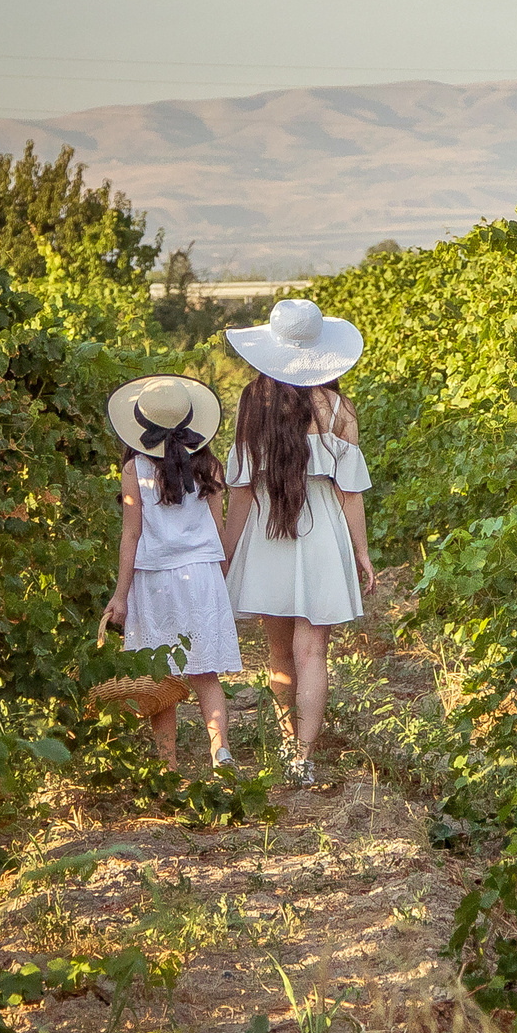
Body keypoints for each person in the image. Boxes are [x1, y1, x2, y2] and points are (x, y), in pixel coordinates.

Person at [220, 298, 375, 788]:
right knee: (314, 653)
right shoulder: (337, 409)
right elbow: (349, 494)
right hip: (322, 534)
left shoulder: (253, 403)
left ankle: (287, 742)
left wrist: (226, 553)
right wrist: (362, 553)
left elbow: (241, 490)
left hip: (269, 532)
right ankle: (303, 757)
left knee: (278, 652)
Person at [102, 374, 239, 769]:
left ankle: (168, 766)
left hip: (156, 579)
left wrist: (120, 595)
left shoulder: (135, 470)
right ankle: (221, 751)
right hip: (201, 575)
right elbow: (218, 528)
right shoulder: (208, 465)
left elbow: (131, 536)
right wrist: (225, 577)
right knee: (204, 672)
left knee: (160, 676)